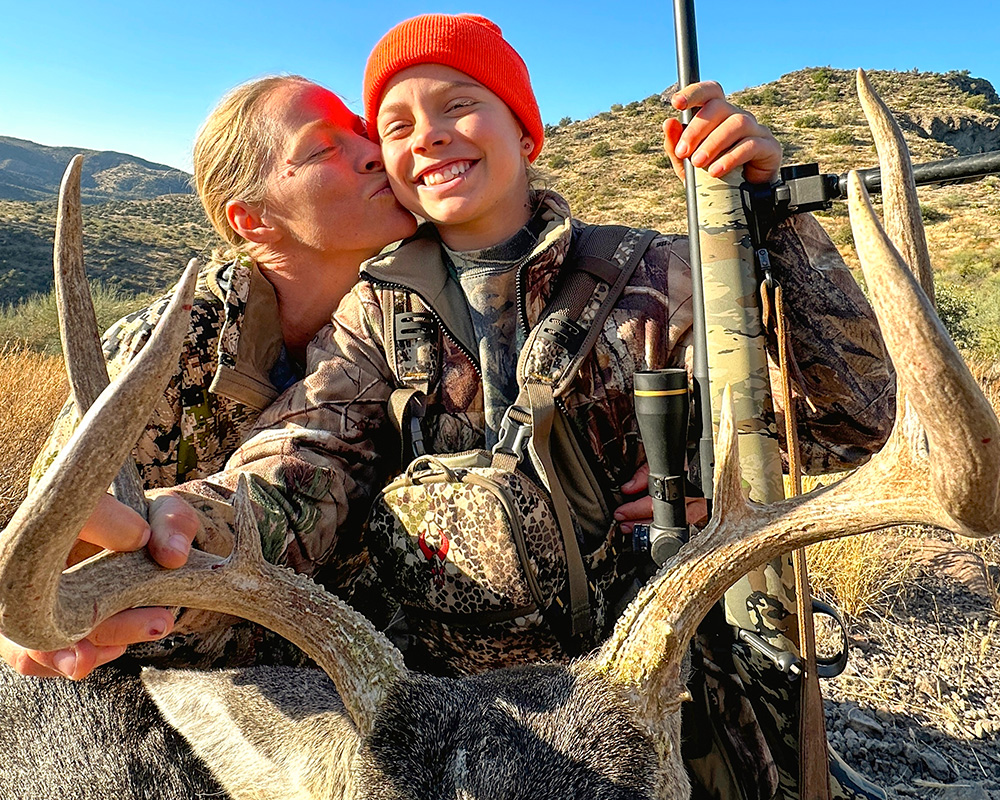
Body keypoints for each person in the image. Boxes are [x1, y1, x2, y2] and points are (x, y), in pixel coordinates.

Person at [6, 16, 892, 797]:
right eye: (393, 127)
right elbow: (301, 465)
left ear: (526, 128)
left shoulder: (660, 278)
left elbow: (860, 422)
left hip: (664, 697)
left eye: (462, 105)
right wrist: (184, 526)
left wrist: (772, 222)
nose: (426, 137)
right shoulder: (372, 317)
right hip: (455, 726)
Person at [3, 73, 419, 679]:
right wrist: (48, 601)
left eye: (363, 131)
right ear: (253, 220)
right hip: (177, 683)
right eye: (326, 148)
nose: (375, 151)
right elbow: (52, 536)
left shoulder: (428, 315)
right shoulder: (164, 347)